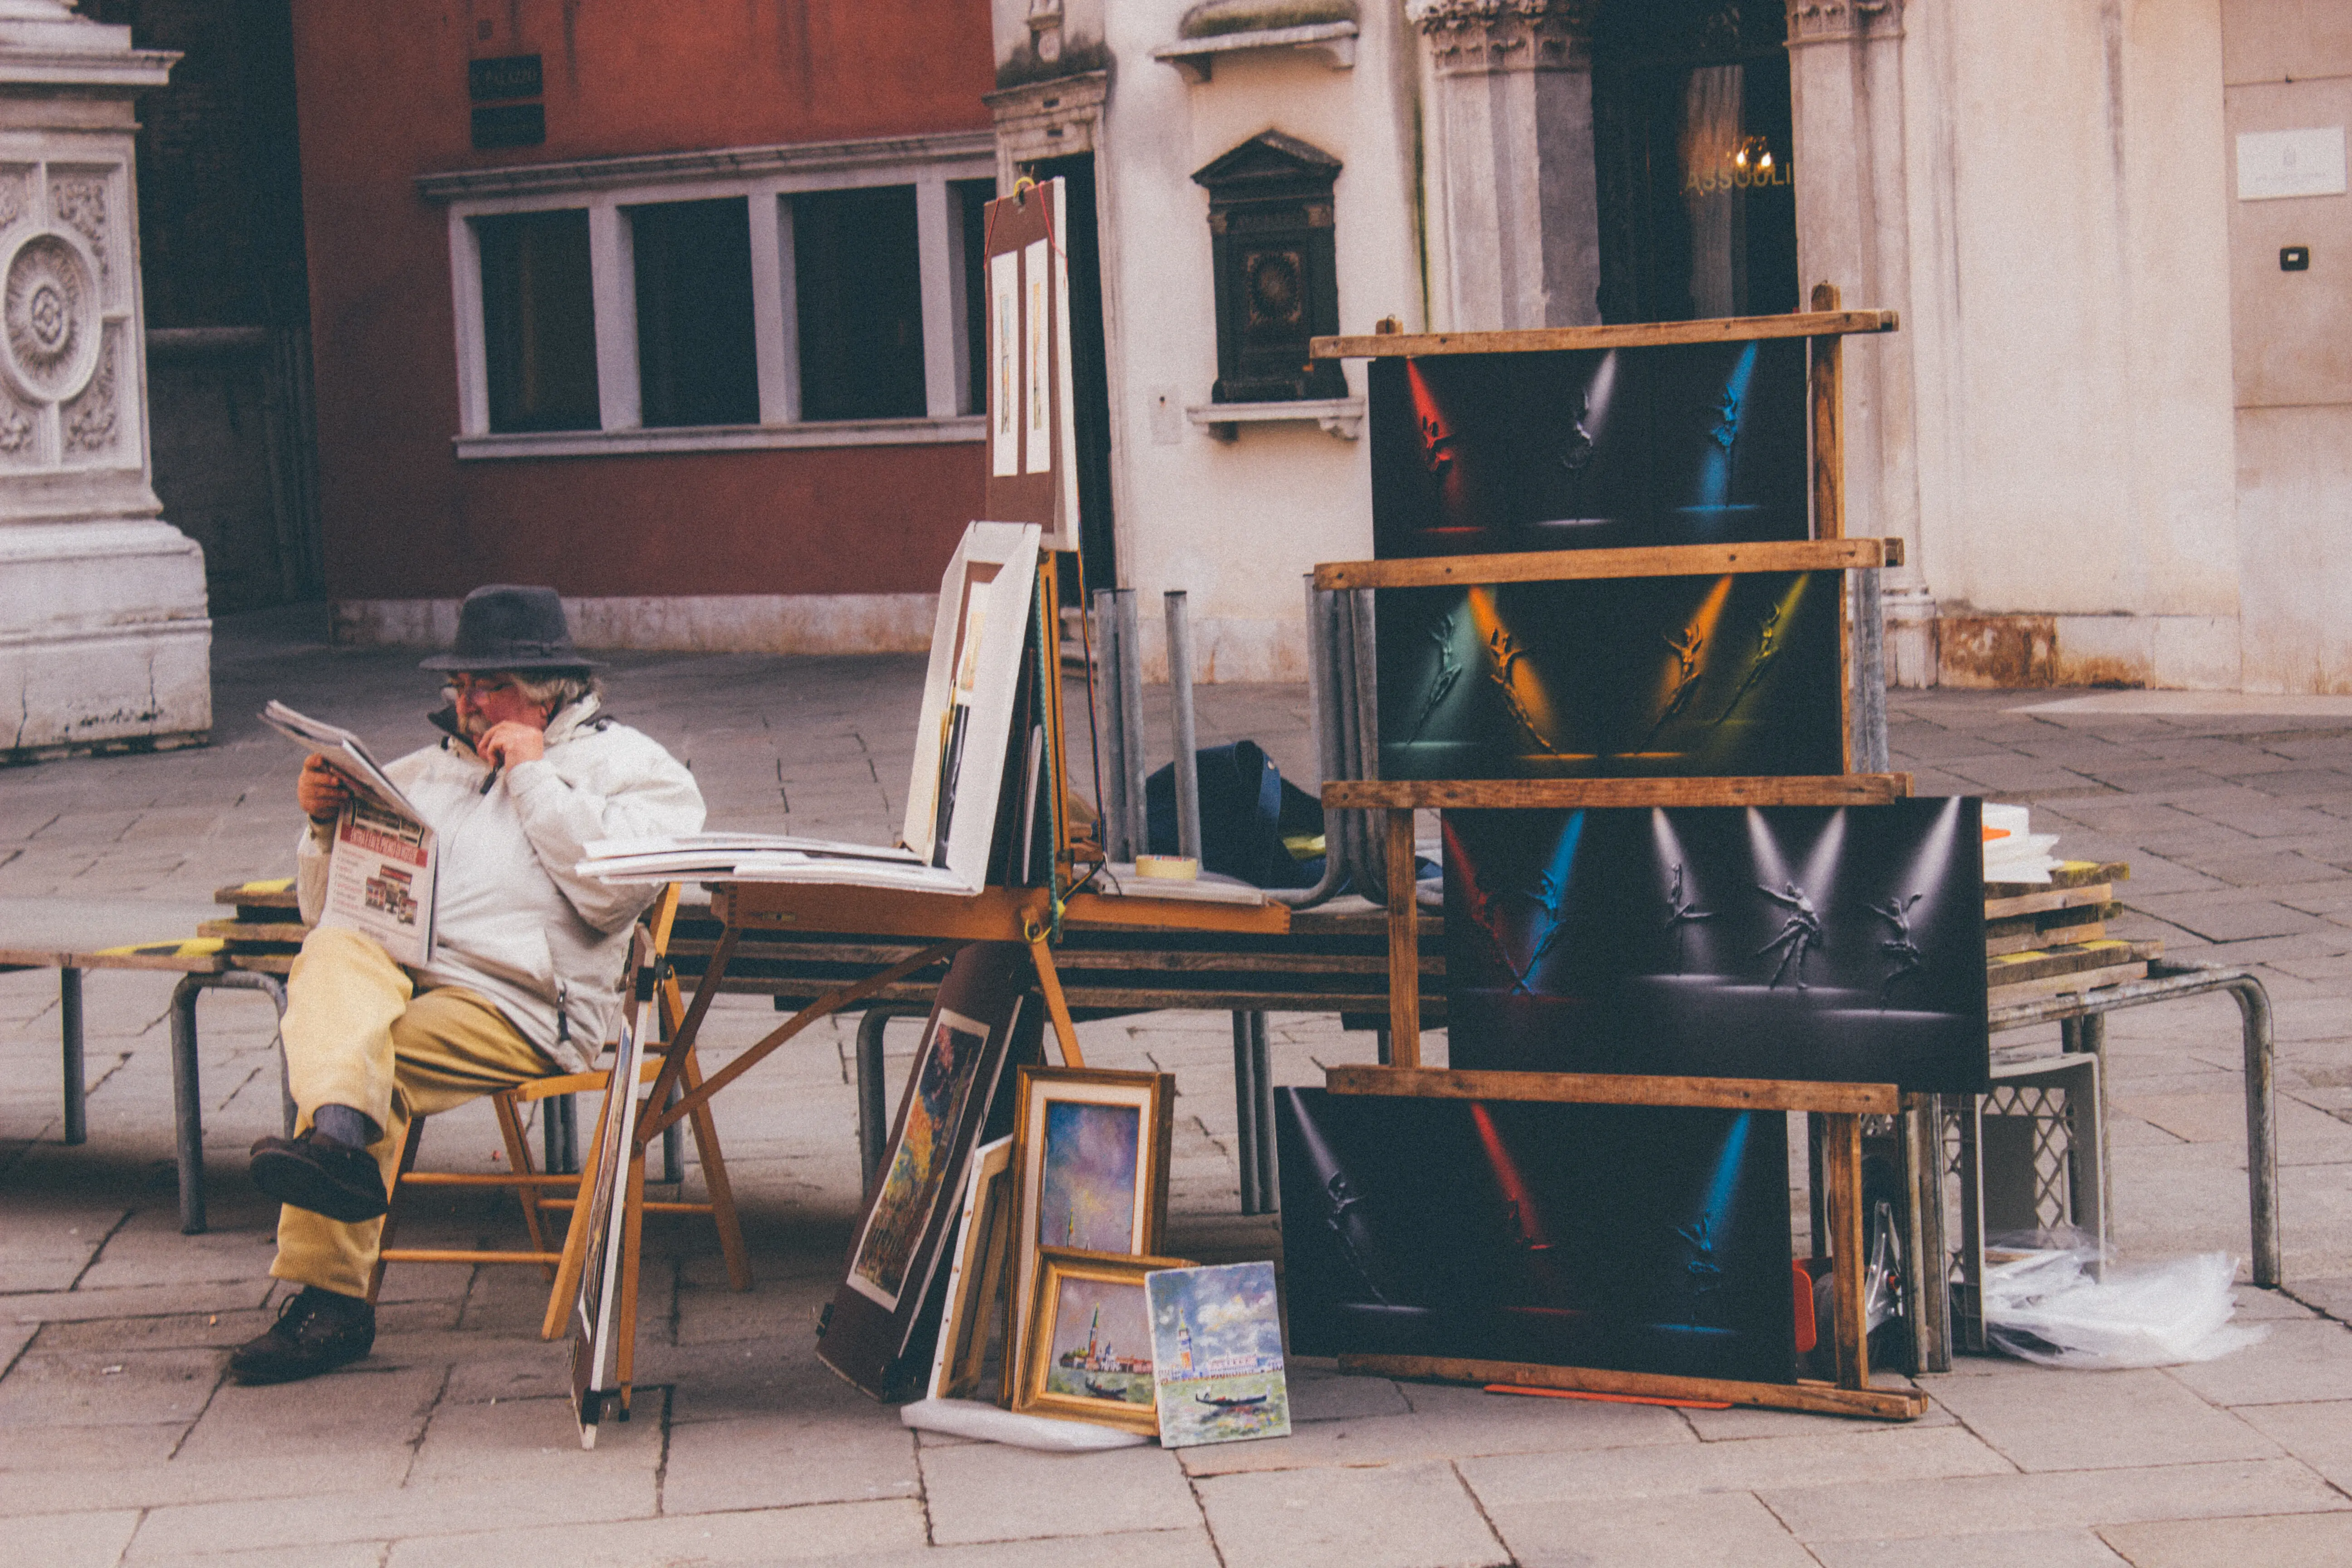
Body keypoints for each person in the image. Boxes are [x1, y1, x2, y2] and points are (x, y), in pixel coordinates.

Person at [229, 585, 706, 1385]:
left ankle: (331, 1297)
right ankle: (340, 1143)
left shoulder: (636, 768)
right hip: (402, 974)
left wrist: (534, 777)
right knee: (335, 955)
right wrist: (321, 826)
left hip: (522, 1003)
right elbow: (324, 910)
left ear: (548, 691)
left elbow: (609, 893)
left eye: (488, 687)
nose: (468, 704)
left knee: (355, 1061)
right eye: (460, 686)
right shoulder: (421, 771)